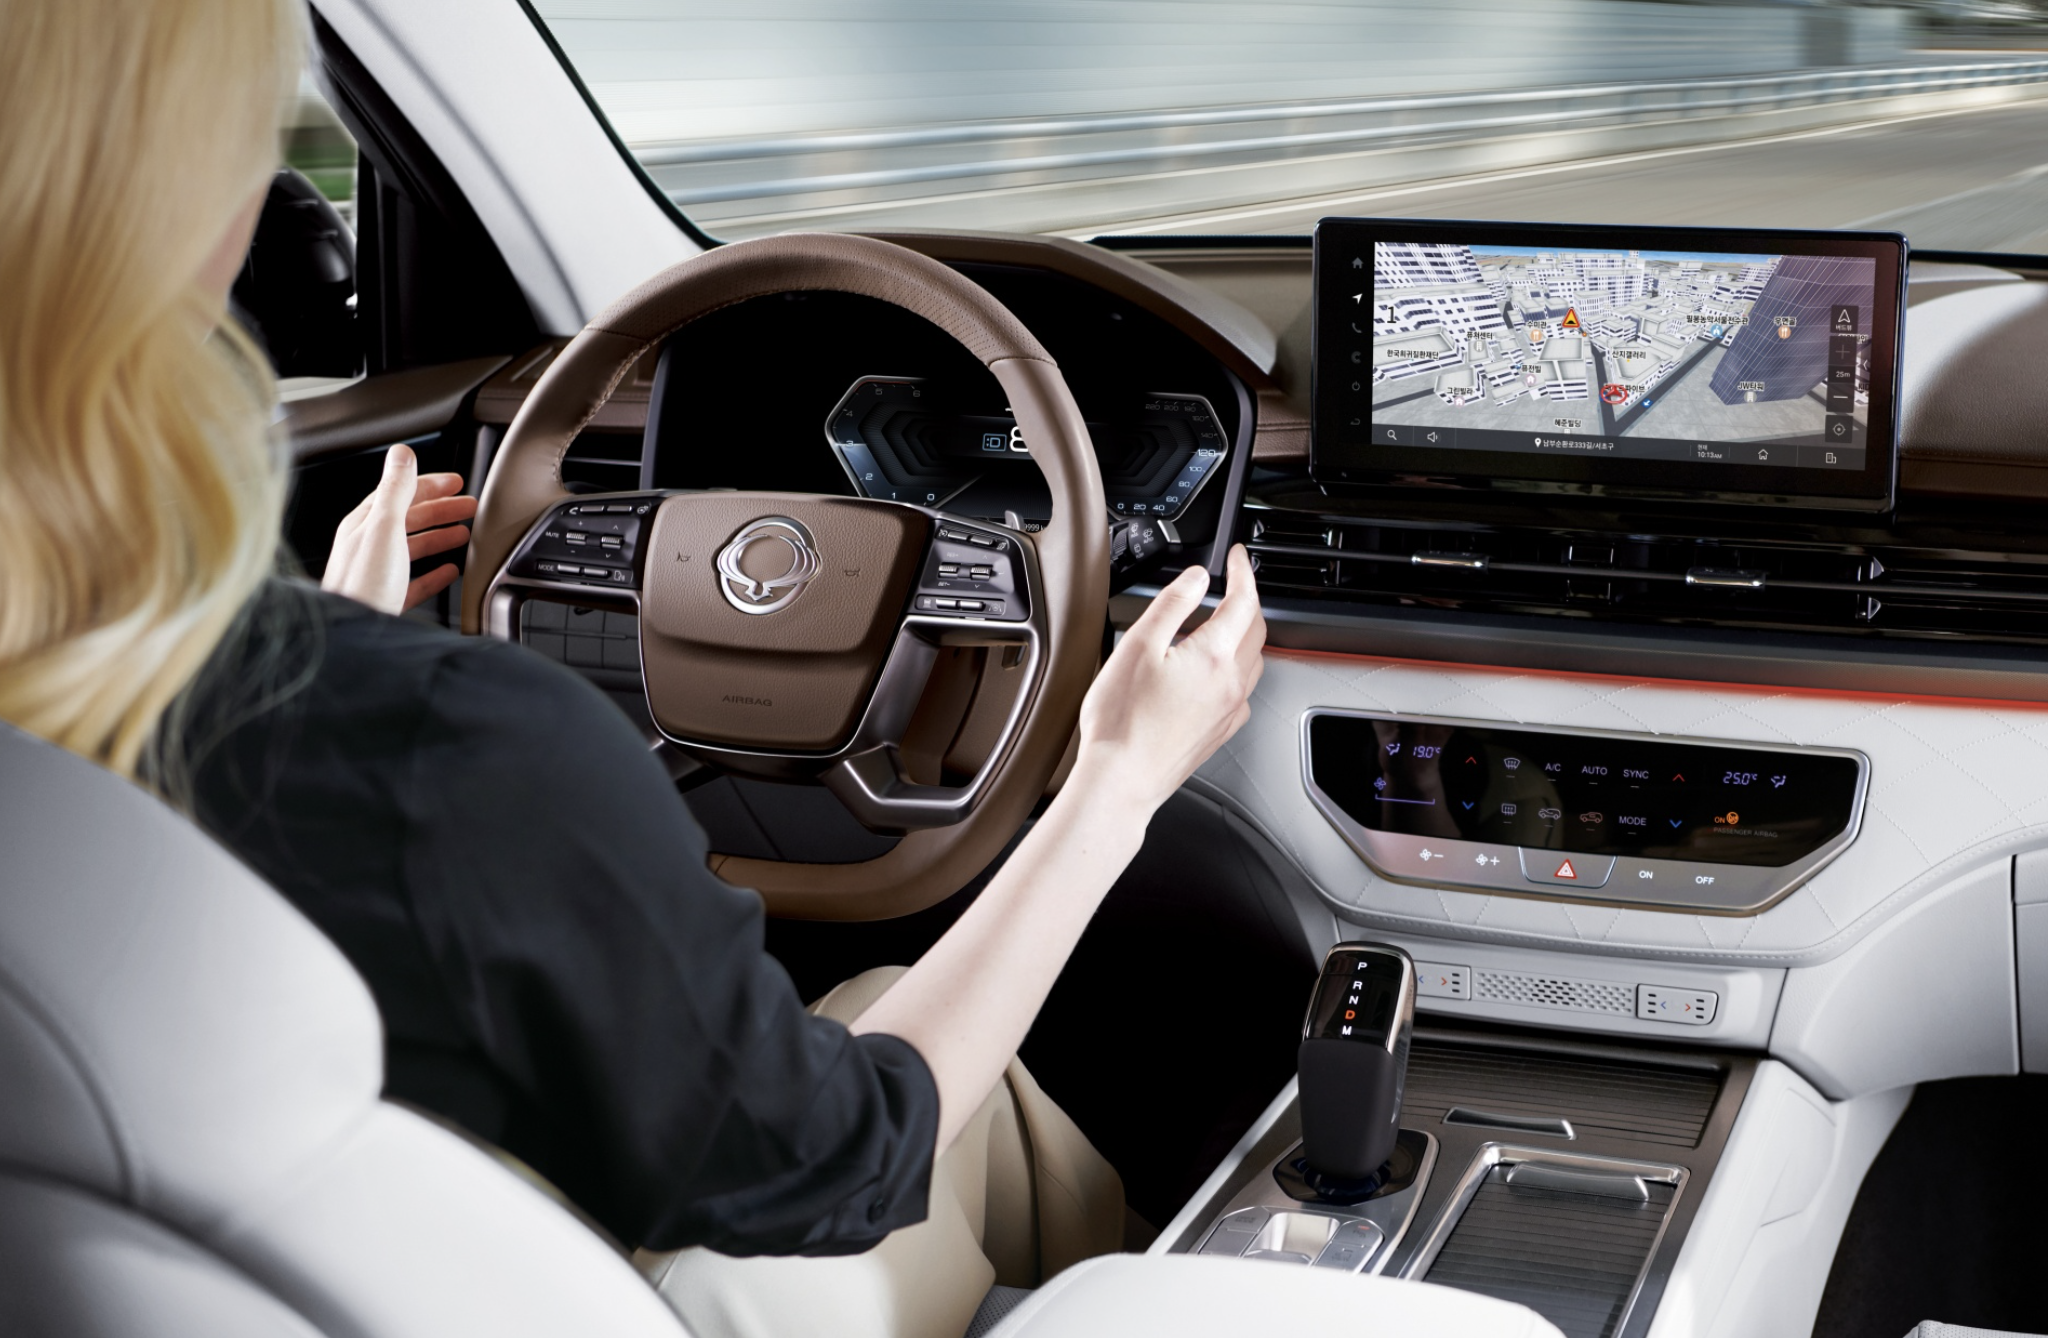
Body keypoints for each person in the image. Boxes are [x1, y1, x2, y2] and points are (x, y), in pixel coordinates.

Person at [0, 5, 1266, 1337]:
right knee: (912, 1037)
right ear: (196, 207)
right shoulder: (435, 747)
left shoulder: (221, 730)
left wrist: (318, 642)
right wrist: (1114, 782)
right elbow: (845, 1153)